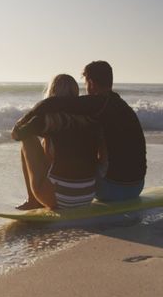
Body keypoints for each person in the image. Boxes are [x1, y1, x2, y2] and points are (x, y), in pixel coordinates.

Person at [15, 61, 146, 202]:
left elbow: (51, 103)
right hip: (136, 187)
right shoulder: (120, 105)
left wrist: (24, 121)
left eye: (85, 83)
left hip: (110, 190)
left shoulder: (98, 103)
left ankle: (38, 198)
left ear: (90, 82)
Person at [11, 74, 100, 210]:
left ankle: (33, 201)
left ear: (52, 93)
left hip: (61, 199)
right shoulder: (88, 118)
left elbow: (17, 134)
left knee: (28, 139)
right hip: (87, 195)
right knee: (49, 143)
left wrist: (33, 114)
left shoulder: (51, 120)